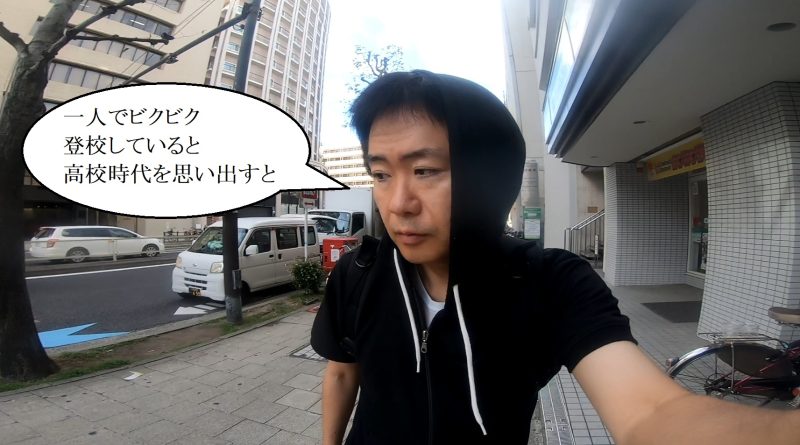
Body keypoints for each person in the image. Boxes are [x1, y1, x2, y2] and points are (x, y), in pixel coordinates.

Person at [310, 70, 799, 444]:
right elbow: (342, 371)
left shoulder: (546, 282)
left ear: (488, 177)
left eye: (424, 170)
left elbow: (652, 412)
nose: (398, 204)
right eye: (381, 175)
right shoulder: (360, 271)